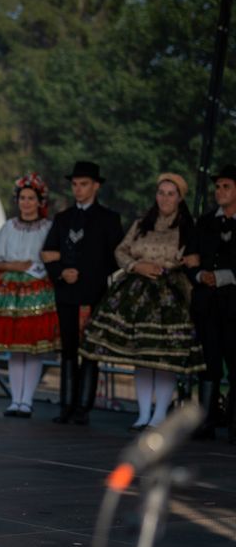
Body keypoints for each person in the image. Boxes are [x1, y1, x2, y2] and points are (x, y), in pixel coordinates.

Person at [81, 173, 202, 429]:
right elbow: (120, 250)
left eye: (171, 194)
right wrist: (136, 266)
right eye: (161, 193)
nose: (165, 198)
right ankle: (144, 413)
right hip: (136, 292)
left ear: (180, 198)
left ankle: (160, 415)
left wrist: (167, 266)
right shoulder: (141, 224)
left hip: (169, 295)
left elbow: (192, 258)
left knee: (163, 357)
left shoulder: (187, 228)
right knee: (141, 355)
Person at [0, 173, 59, 418]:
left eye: (31, 198)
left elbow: (53, 257)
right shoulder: (9, 227)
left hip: (38, 291)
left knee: (33, 347)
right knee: (16, 348)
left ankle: (27, 401)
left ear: (40, 201)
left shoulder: (48, 228)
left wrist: (33, 267)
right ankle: (15, 400)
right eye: (23, 198)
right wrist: (16, 266)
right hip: (10, 290)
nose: (26, 203)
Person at [40, 161, 125, 425]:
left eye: (84, 184)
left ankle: (83, 408)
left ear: (96, 186)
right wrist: (61, 272)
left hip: (94, 294)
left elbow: (117, 258)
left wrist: (90, 275)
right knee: (68, 349)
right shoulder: (63, 218)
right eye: (75, 184)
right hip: (66, 293)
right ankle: (66, 405)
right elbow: (48, 252)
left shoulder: (109, 219)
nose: (78, 189)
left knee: (89, 350)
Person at [190, 164, 236, 440]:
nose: (220, 191)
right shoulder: (206, 222)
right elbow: (191, 258)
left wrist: (222, 276)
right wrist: (199, 274)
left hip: (233, 305)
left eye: (226, 186)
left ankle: (233, 424)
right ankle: (205, 420)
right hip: (207, 305)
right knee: (209, 363)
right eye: (218, 187)